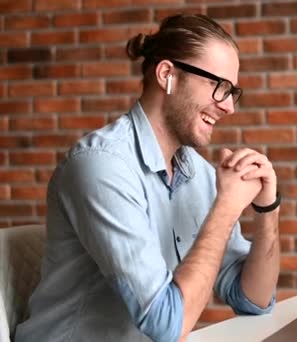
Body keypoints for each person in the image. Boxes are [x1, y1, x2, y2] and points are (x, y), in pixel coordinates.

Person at [15, 14, 280, 342]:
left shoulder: (196, 175)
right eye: (219, 87)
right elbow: (166, 325)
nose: (229, 107)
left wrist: (268, 211)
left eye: (232, 92)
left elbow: (252, 301)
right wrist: (226, 209)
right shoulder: (102, 167)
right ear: (167, 75)